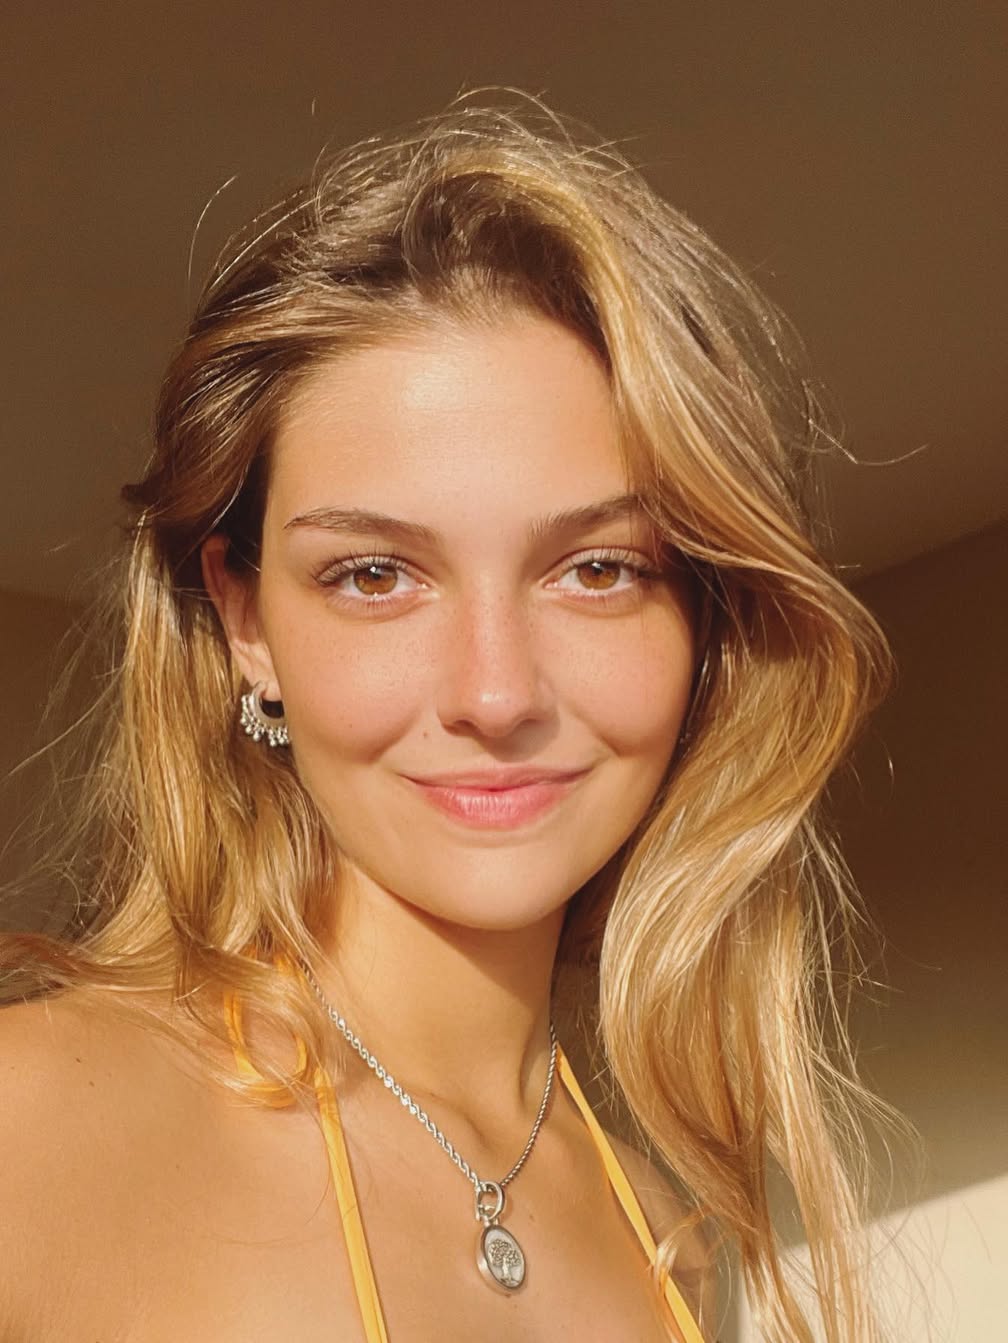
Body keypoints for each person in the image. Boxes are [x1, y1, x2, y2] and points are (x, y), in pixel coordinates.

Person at [0, 97, 893, 1342]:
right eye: (376, 574)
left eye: (598, 569)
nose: (496, 692)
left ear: (703, 617)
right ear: (247, 621)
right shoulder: (32, 1126)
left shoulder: (667, 1237)